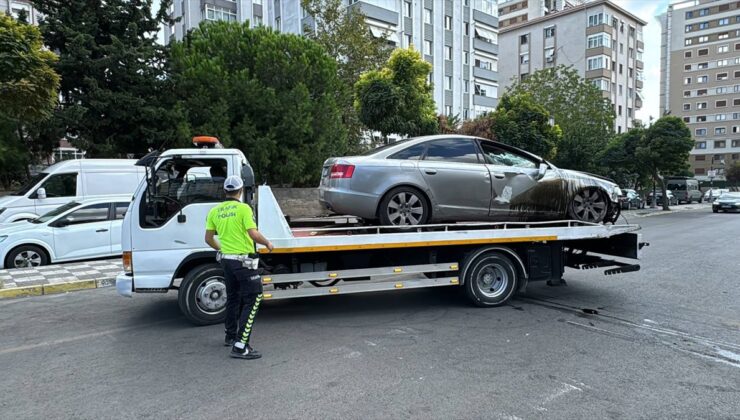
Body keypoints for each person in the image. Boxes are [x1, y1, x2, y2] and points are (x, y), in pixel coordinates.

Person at [205, 175, 274, 360]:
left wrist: (223, 249)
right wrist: (267, 243)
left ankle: (230, 335)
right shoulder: (244, 209)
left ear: (225, 191)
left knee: (233, 298)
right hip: (243, 262)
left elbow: (208, 238)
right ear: (241, 190)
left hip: (227, 261)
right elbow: (253, 233)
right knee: (254, 297)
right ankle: (240, 346)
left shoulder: (215, 211)